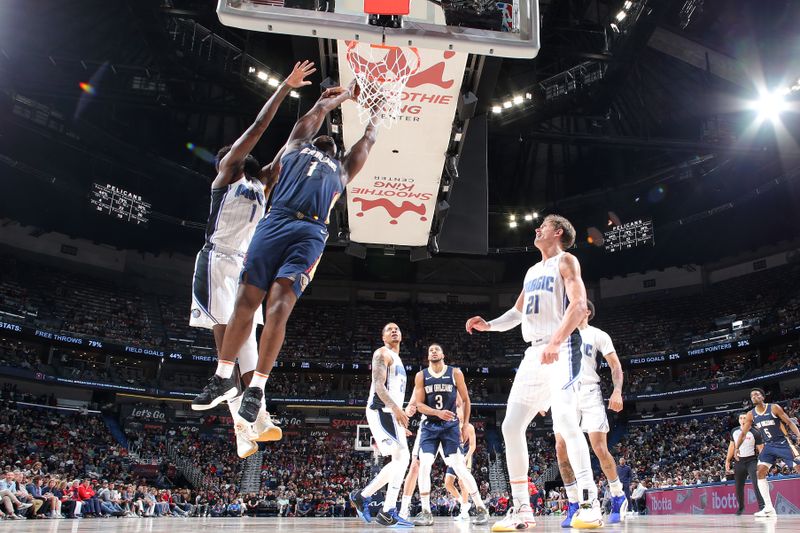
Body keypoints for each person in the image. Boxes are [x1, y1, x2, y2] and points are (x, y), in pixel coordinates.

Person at [193, 80, 378, 424]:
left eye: (332, 142)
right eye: (322, 137)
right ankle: (222, 377)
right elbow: (316, 112)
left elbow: (366, 142)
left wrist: (376, 117)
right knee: (244, 303)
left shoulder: (341, 169)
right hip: (274, 222)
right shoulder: (294, 147)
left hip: (310, 232)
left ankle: (257, 388)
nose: (327, 140)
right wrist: (339, 98)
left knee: (278, 308)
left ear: (335, 151)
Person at [190, 61, 317, 455]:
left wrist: (319, 110)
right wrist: (286, 87)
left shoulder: (262, 182)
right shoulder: (225, 176)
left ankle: (254, 416)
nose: (238, 151)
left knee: (244, 337)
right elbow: (260, 128)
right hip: (215, 259)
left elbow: (292, 144)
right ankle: (243, 426)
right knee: (225, 341)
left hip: (245, 263)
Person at [466, 214, 600, 530]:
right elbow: (517, 312)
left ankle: (589, 502)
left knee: (567, 421)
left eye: (543, 225)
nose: (536, 229)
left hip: (561, 347)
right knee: (511, 426)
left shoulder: (566, 261)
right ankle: (522, 509)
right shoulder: (531, 271)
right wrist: (489, 325)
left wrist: (556, 340)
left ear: (557, 232)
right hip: (533, 353)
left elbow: (579, 306)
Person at [553, 299, 627, 527]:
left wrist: (617, 391)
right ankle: (574, 502)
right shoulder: (561, 334)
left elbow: (615, 366)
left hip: (589, 392)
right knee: (560, 448)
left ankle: (617, 495)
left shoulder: (598, 335)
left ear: (587, 311)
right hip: (564, 392)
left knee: (599, 447)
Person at [411, 343, 488, 526]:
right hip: (430, 426)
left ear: (443, 354)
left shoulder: (455, 373)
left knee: (459, 467)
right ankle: (425, 511)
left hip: (450, 427)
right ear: (427, 356)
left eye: (437, 349)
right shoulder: (421, 375)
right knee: (424, 465)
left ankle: (480, 507)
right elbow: (419, 405)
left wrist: (466, 423)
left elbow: (466, 399)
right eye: (430, 350)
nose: (434, 351)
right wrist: (437, 413)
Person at [349, 323, 414, 527]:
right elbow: (378, 385)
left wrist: (400, 416)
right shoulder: (381, 353)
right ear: (383, 336)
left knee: (402, 459)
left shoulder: (399, 359)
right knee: (403, 457)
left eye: (397, 329)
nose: (394, 330)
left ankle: (370, 501)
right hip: (381, 409)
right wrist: (396, 409)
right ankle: (383, 508)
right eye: (389, 329)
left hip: (392, 413)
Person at [734, 387, 800, 517]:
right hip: (769, 446)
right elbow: (743, 433)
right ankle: (769, 508)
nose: (754, 397)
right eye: (752, 395)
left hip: (783, 443)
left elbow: (789, 422)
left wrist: (798, 435)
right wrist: (737, 448)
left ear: (763, 397)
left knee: (799, 467)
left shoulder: (774, 407)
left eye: (757, 394)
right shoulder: (751, 414)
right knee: (760, 472)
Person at [726, 413, 765, 515]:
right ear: (738, 420)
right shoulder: (734, 431)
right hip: (739, 461)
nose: (742, 420)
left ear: (749, 420)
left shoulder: (755, 432)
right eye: (741, 418)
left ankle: (762, 506)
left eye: (744, 418)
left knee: (756, 483)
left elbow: (761, 449)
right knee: (738, 486)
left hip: (752, 460)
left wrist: (763, 463)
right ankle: (741, 508)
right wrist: (727, 460)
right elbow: (731, 446)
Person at [444, 400, 477, 521]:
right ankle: (464, 504)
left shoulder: (470, 427)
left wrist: (466, 458)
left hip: (466, 456)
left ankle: (464, 512)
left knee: (463, 483)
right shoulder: (452, 426)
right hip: (454, 455)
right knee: (448, 483)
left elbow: (473, 446)